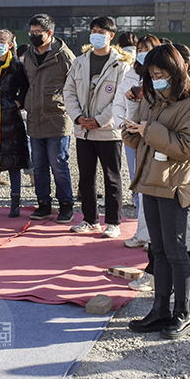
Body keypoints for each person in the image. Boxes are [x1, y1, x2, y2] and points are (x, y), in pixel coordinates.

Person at [123, 44, 190, 338]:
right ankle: (160, 309)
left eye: (161, 73)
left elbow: (188, 147)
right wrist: (132, 131)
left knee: (176, 250)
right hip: (149, 181)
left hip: (174, 184)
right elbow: (143, 138)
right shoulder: (151, 98)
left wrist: (148, 130)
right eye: (152, 73)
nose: (156, 78)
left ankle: (182, 312)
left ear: (176, 71)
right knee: (157, 250)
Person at [63, 16, 129, 237]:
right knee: (85, 177)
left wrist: (100, 120)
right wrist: (78, 117)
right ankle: (90, 219)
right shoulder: (79, 61)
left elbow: (121, 99)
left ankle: (113, 222)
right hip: (83, 131)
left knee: (112, 177)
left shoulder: (121, 65)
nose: (96, 35)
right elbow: (68, 92)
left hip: (108, 132)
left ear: (111, 35)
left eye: (101, 31)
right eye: (93, 31)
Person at [20, 13, 77, 223]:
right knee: (39, 165)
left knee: (59, 163)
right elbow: (26, 82)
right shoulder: (29, 55)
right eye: (32, 32)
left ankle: (66, 205)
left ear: (49, 33)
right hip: (35, 118)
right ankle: (43, 204)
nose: (34, 36)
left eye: (38, 33)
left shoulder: (64, 56)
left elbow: (75, 86)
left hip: (57, 119)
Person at [114, 34, 162, 249]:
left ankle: (155, 235)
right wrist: (123, 124)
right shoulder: (130, 75)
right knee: (138, 185)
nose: (142, 53)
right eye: (139, 48)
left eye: (148, 48)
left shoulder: (161, 77)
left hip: (155, 137)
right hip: (134, 137)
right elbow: (118, 102)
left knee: (154, 187)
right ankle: (142, 232)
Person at [0, 29, 30, 218]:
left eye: (2, 40)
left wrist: (17, 102)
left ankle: (15, 202)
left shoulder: (17, 66)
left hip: (11, 118)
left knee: (14, 161)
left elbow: (26, 89)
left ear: (10, 44)